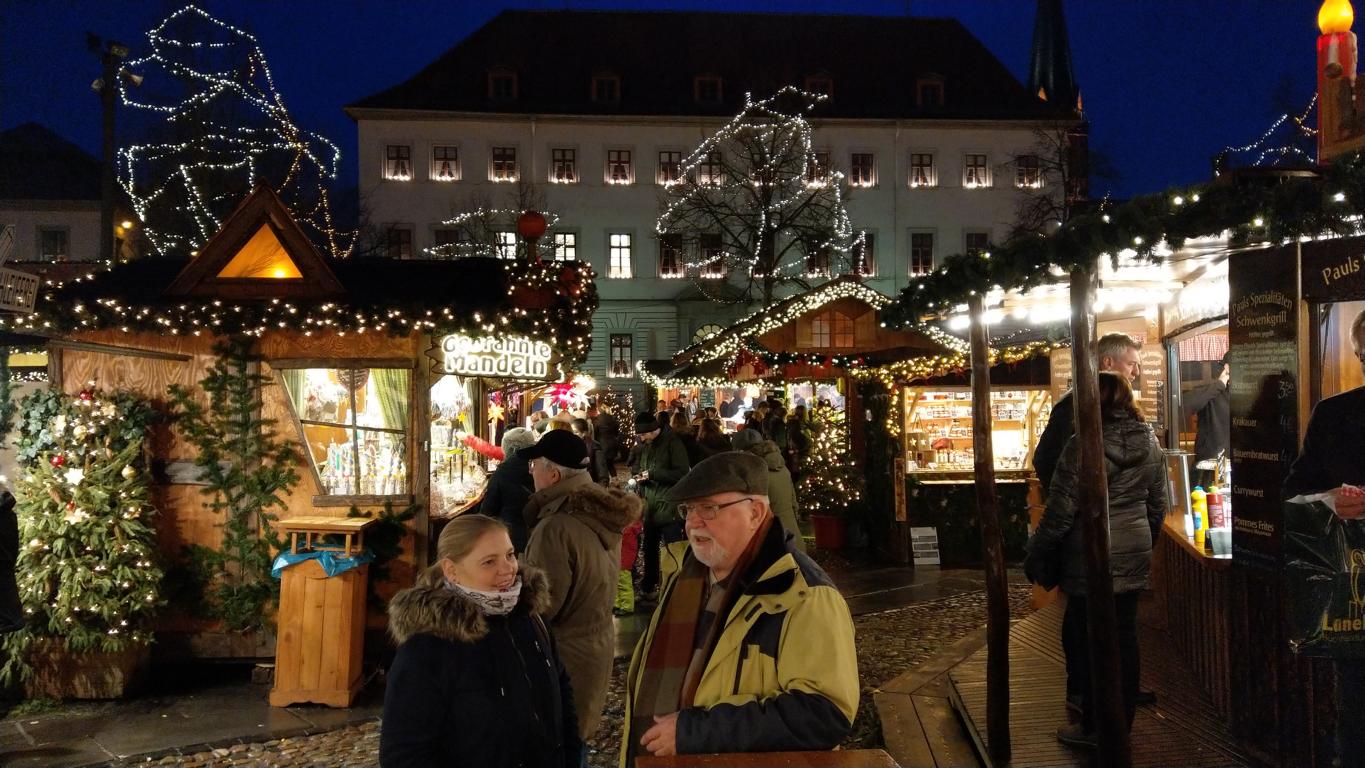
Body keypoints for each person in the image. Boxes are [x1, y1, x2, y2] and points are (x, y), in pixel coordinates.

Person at [621, 452, 859, 763]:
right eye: (689, 509)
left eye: (709, 508)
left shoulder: (804, 596)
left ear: (756, 513)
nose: (692, 523)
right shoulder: (686, 578)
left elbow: (825, 713)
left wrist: (696, 733)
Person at [1023, 372, 1167, 750]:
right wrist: (1142, 544)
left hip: (1089, 553)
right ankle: (1122, 723)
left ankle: (1093, 726)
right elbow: (1158, 505)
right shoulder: (1151, 443)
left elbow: (1060, 513)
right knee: (1125, 636)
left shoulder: (1082, 445)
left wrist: (1037, 552)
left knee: (1087, 638)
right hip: (1133, 548)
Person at [380, 515, 580, 768]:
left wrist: (570, 756)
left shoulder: (529, 618)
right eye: (489, 562)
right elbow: (404, 754)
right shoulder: (427, 648)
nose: (507, 569)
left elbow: (560, 689)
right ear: (451, 570)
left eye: (510, 555)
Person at [520, 430, 643, 747]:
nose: (531, 472)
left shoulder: (556, 527)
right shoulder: (597, 509)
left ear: (553, 474)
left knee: (559, 742)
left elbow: (543, 606)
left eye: (535, 465)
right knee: (576, 737)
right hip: (594, 645)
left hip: (563, 654)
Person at [1283, 309, 1365, 766]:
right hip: (1355, 593)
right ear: (1358, 355)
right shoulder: (1333, 415)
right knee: (1357, 717)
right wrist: (1328, 500)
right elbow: (1295, 491)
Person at [1033, 332, 1143, 492]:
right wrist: (1072, 499)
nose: (1136, 372)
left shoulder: (1122, 403)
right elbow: (1046, 459)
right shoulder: (1074, 402)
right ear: (1108, 362)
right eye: (1131, 364)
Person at [631, 412, 691, 601]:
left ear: (652, 430)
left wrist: (653, 474)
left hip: (669, 507)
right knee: (649, 548)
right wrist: (641, 478)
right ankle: (649, 586)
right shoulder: (648, 445)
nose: (641, 438)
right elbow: (644, 467)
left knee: (673, 550)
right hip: (652, 505)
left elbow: (682, 473)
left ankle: (675, 589)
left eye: (642, 434)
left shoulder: (673, 443)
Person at [731, 429, 805, 553]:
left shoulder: (753, 474)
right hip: (793, 539)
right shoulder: (781, 466)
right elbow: (793, 503)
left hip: (773, 544)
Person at [479, 427, 537, 552]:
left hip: (511, 535)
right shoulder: (541, 466)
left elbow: (488, 510)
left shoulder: (503, 472)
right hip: (538, 532)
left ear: (510, 449)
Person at [1184, 353, 1231, 488]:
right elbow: (1186, 406)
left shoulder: (1247, 395)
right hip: (1208, 467)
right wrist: (1219, 384)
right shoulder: (1212, 391)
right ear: (1226, 368)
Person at [571, 417, 610, 486]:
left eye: (575, 432)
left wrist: (601, 488)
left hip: (591, 485)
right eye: (571, 432)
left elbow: (602, 470)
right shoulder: (571, 445)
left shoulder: (594, 446)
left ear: (584, 433)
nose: (572, 435)